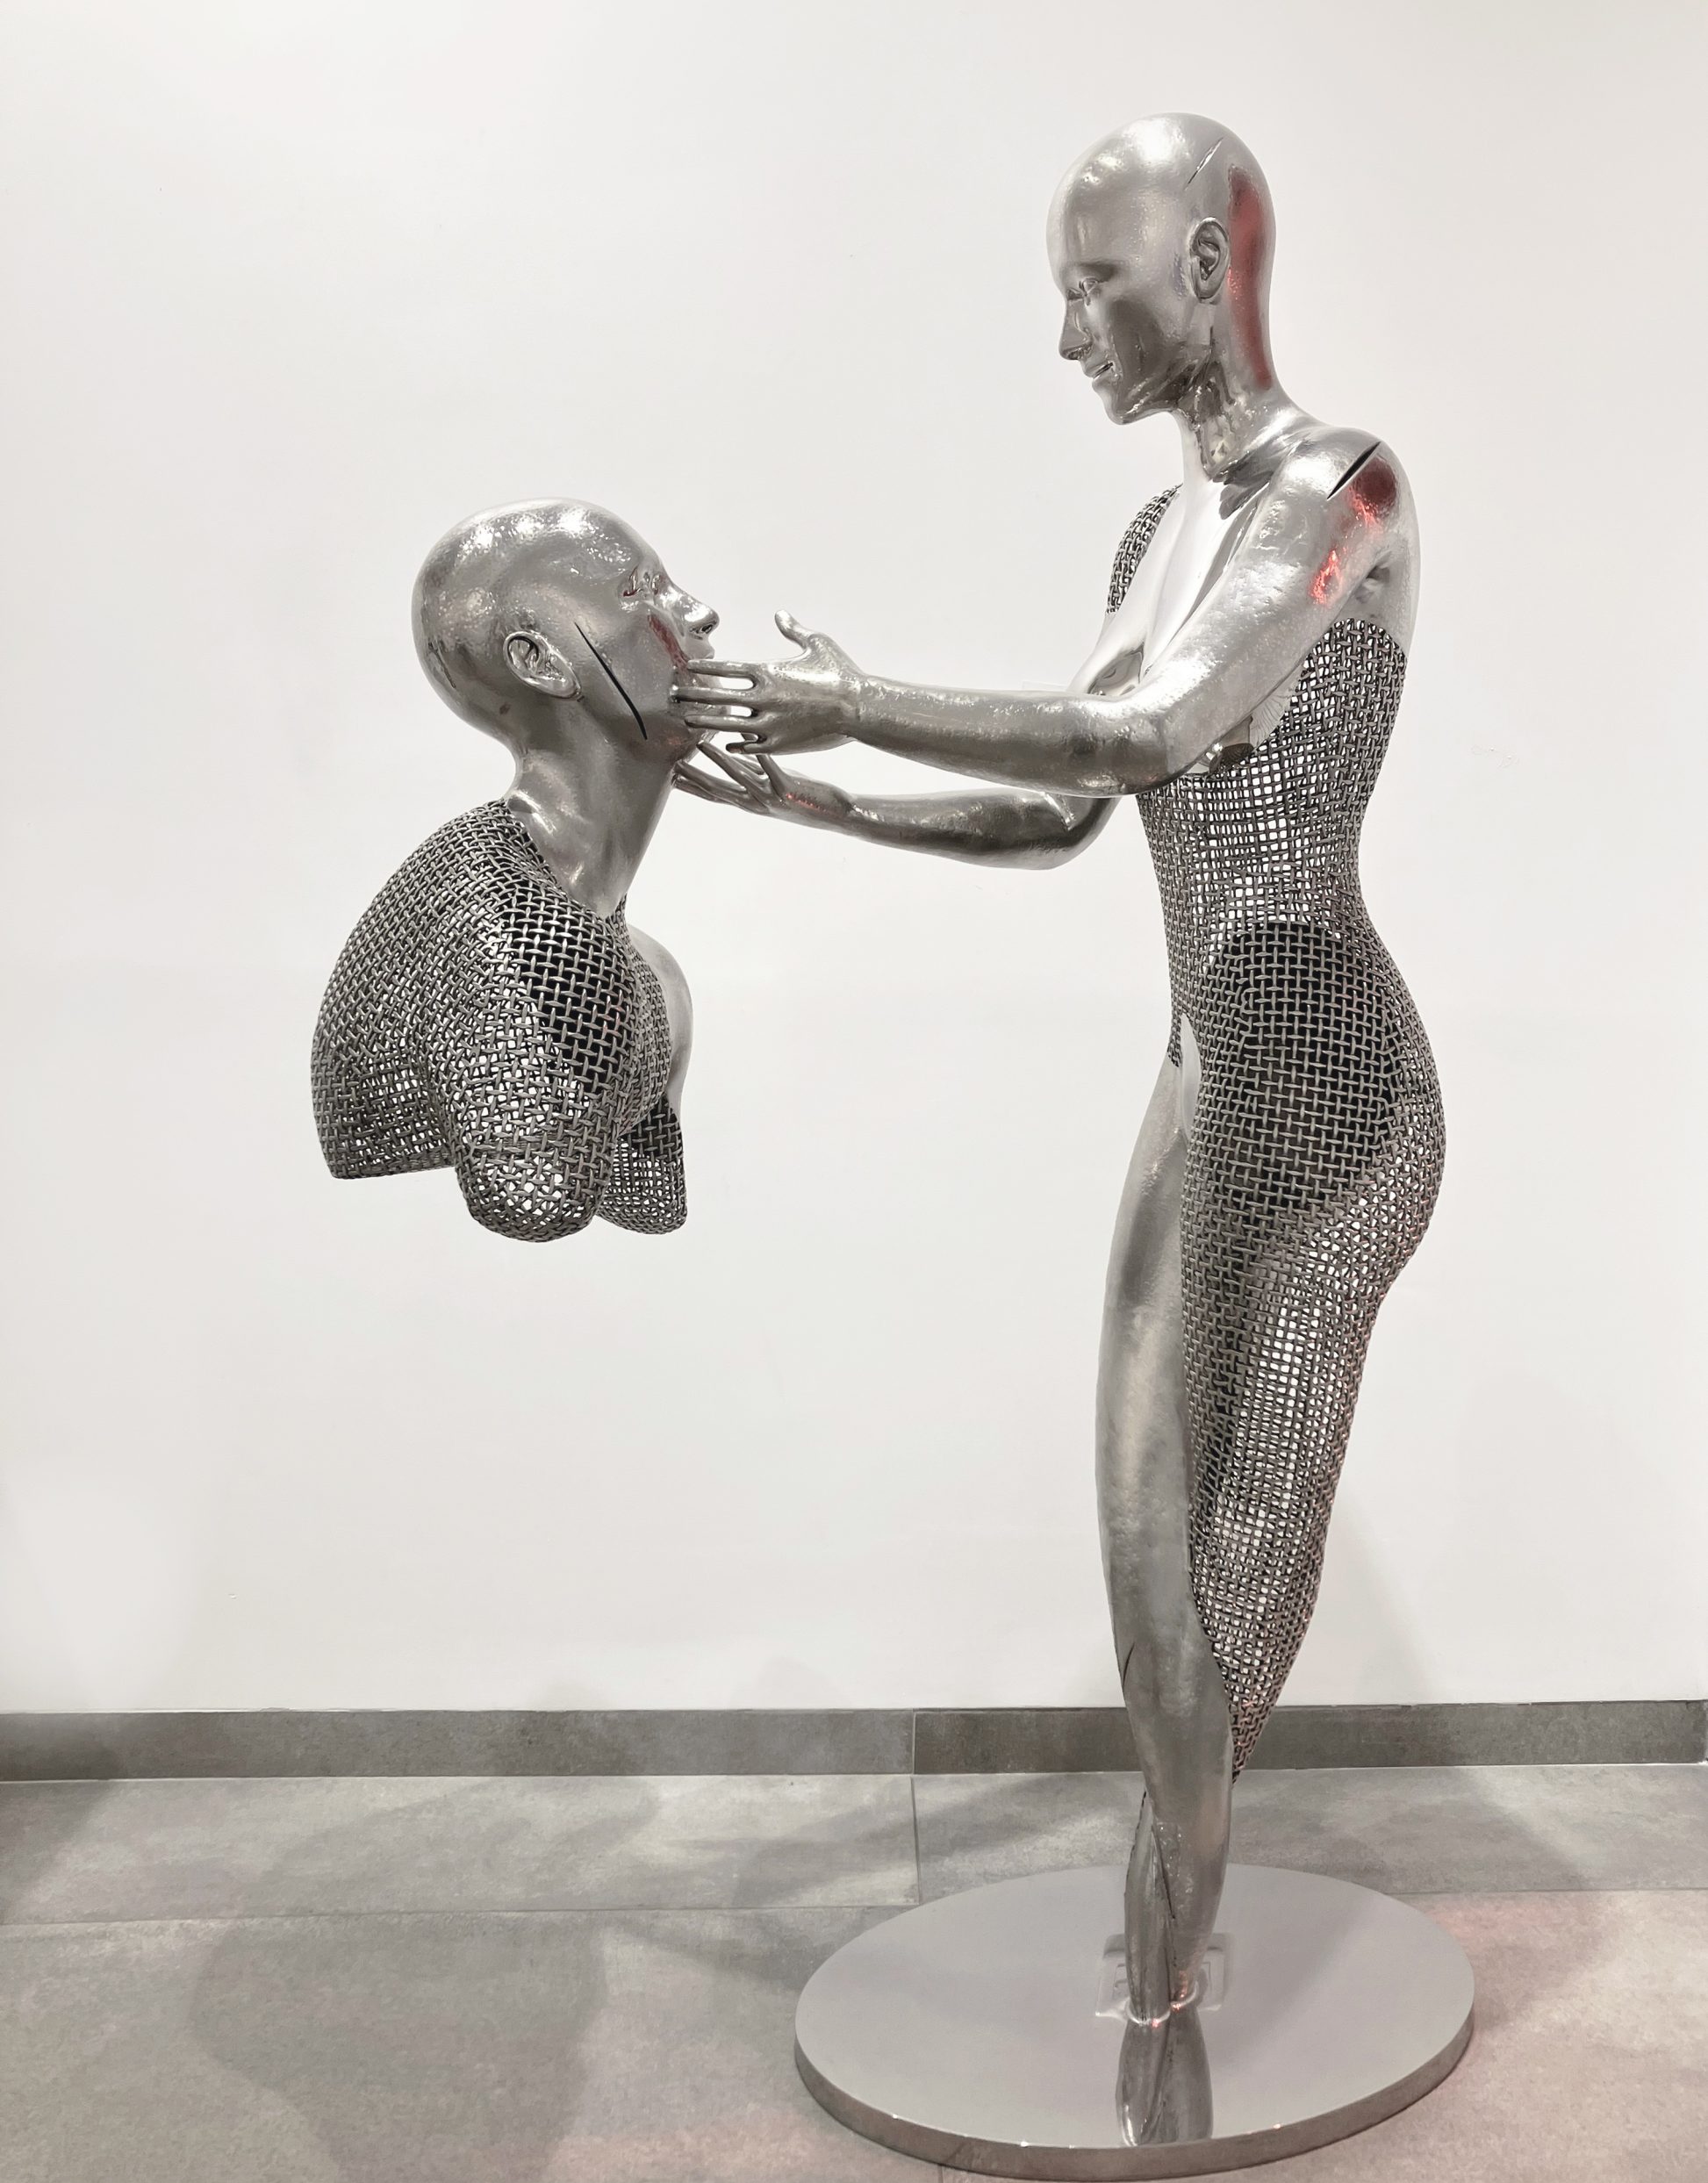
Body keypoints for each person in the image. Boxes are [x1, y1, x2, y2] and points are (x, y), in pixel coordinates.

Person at [672, 114, 1445, 2075]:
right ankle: (1160, 1965)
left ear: (1202, 265)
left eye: (1093, 285)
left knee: (1228, 1583)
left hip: (1332, 1092)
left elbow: (1149, 732)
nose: (1068, 332)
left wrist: (860, 699)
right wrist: (825, 795)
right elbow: (1058, 811)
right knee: (1143, 1556)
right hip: (1204, 1078)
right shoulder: (1150, 540)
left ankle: (1168, 1974)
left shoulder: (1340, 492)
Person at [313, 501, 714, 1242]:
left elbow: (646, 1201)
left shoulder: (643, 970)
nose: (699, 612)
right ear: (542, 662)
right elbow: (535, 1200)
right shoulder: (517, 930)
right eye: (640, 591)